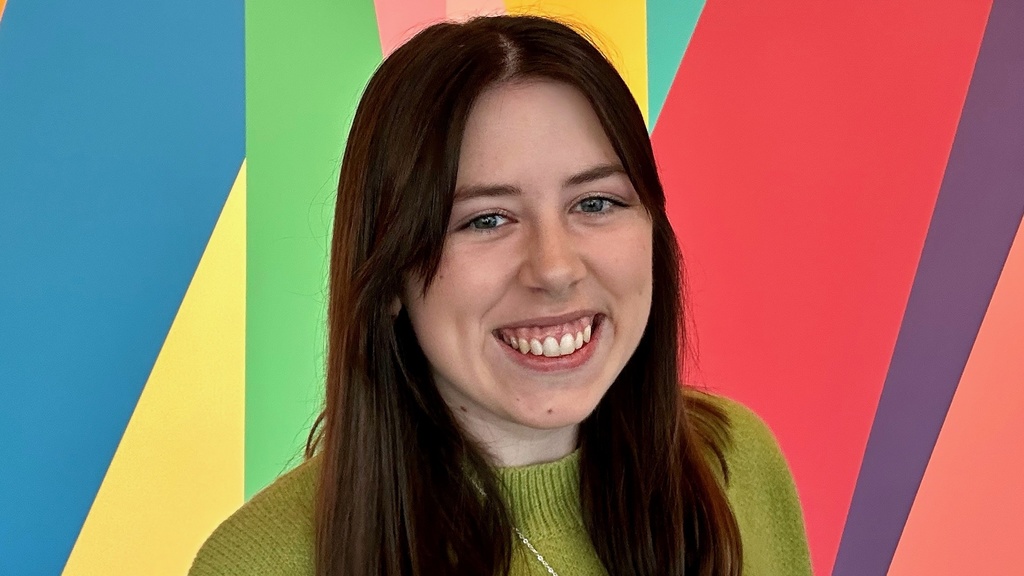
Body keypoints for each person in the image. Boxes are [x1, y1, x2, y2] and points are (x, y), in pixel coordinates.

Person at [190, 14, 811, 576]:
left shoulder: (736, 467)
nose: (555, 268)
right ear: (388, 277)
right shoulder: (259, 563)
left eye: (596, 203)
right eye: (486, 219)